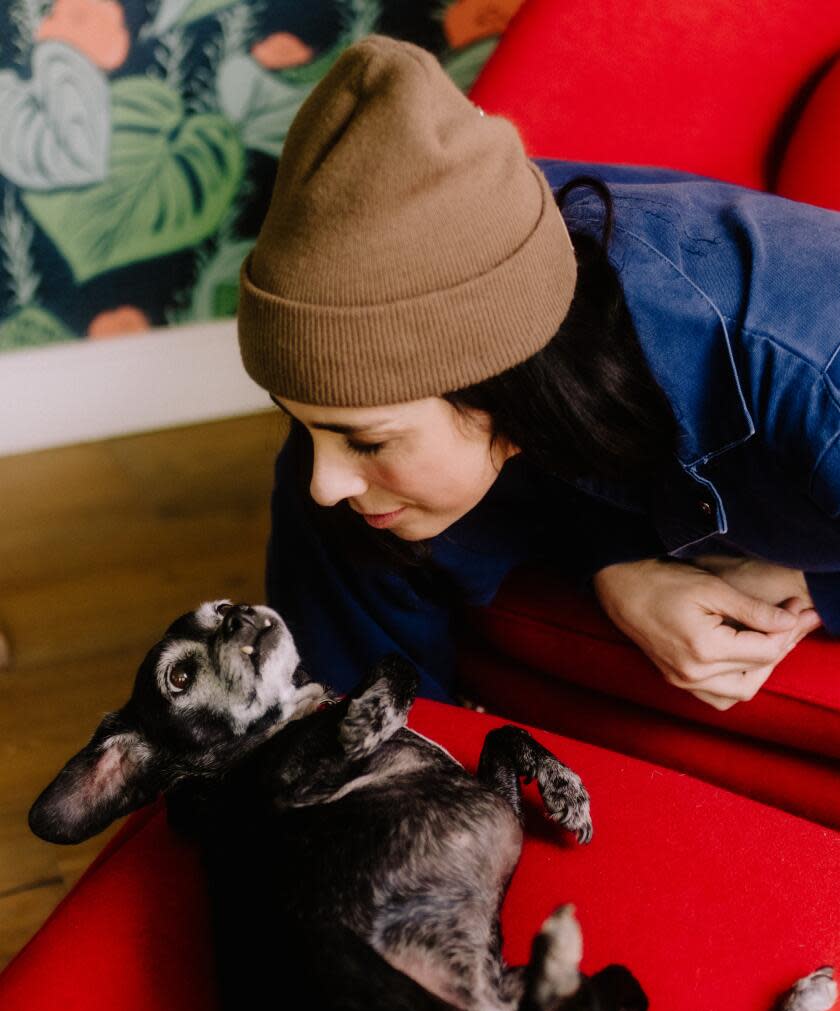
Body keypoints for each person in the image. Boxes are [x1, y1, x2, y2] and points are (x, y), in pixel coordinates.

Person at [237, 34, 839, 710]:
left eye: (370, 439)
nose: (329, 481)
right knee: (320, 502)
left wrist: (813, 580)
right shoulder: (467, 253)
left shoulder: (812, 379)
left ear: (507, 385)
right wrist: (615, 565)